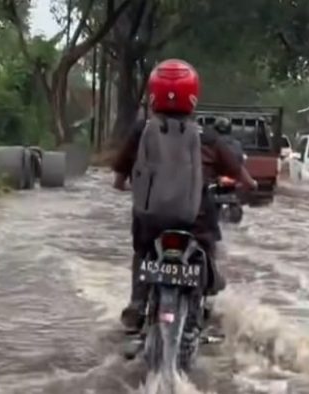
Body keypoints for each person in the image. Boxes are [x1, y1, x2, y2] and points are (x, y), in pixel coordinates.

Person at [111, 58, 258, 332]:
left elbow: (120, 175)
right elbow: (241, 174)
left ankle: (137, 303)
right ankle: (203, 301)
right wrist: (249, 186)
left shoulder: (142, 131)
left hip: (150, 219)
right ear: (193, 95)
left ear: (153, 94)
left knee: (142, 252)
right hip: (196, 219)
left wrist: (127, 185)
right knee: (208, 247)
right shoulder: (207, 136)